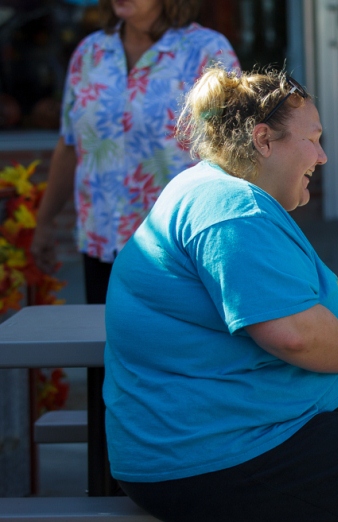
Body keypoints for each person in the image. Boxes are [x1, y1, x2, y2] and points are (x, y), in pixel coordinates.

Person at [102, 66, 338, 521]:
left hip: (232, 439)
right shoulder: (232, 211)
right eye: (311, 139)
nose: (323, 156)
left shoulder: (218, 192)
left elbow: (280, 301)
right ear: (263, 140)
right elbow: (292, 333)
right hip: (212, 454)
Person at [32, 0, 239, 305]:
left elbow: (233, 147)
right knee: (104, 345)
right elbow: (70, 143)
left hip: (175, 247)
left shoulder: (207, 50)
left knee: (168, 348)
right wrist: (44, 222)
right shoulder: (90, 52)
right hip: (101, 242)